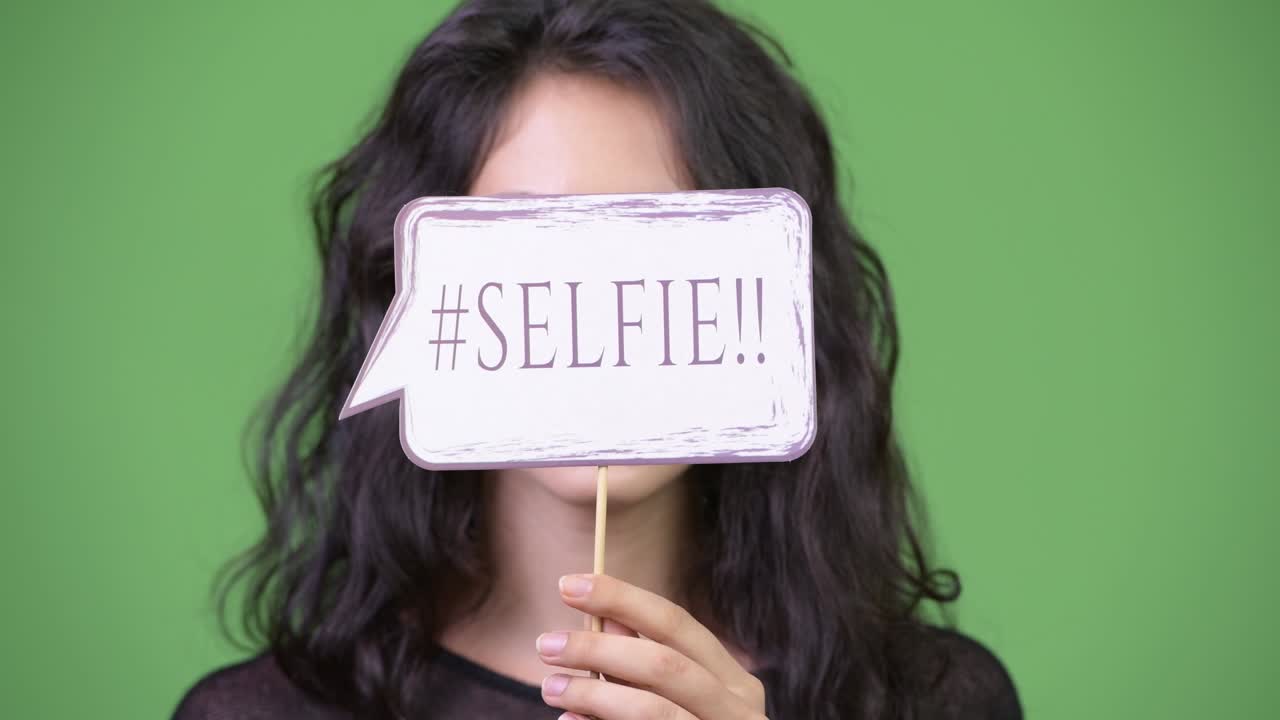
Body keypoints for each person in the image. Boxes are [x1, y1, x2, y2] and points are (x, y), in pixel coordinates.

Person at [171, 1, 1022, 718]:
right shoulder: (262, 713)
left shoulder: (938, 699)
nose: (594, 308)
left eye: (657, 229)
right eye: (528, 235)